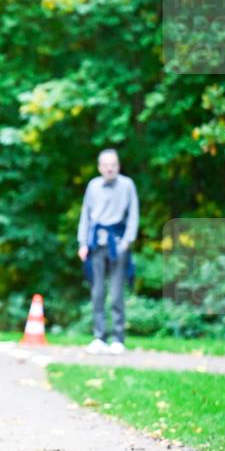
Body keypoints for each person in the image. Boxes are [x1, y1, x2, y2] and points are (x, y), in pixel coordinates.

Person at [77, 149, 139, 355]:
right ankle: (99, 337)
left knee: (116, 293)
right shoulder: (93, 186)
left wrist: (128, 241)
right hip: (96, 244)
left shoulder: (127, 185)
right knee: (97, 292)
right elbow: (85, 214)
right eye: (106, 164)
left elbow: (133, 214)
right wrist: (82, 243)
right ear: (99, 167)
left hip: (118, 243)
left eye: (113, 164)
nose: (110, 168)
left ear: (118, 166)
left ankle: (118, 338)